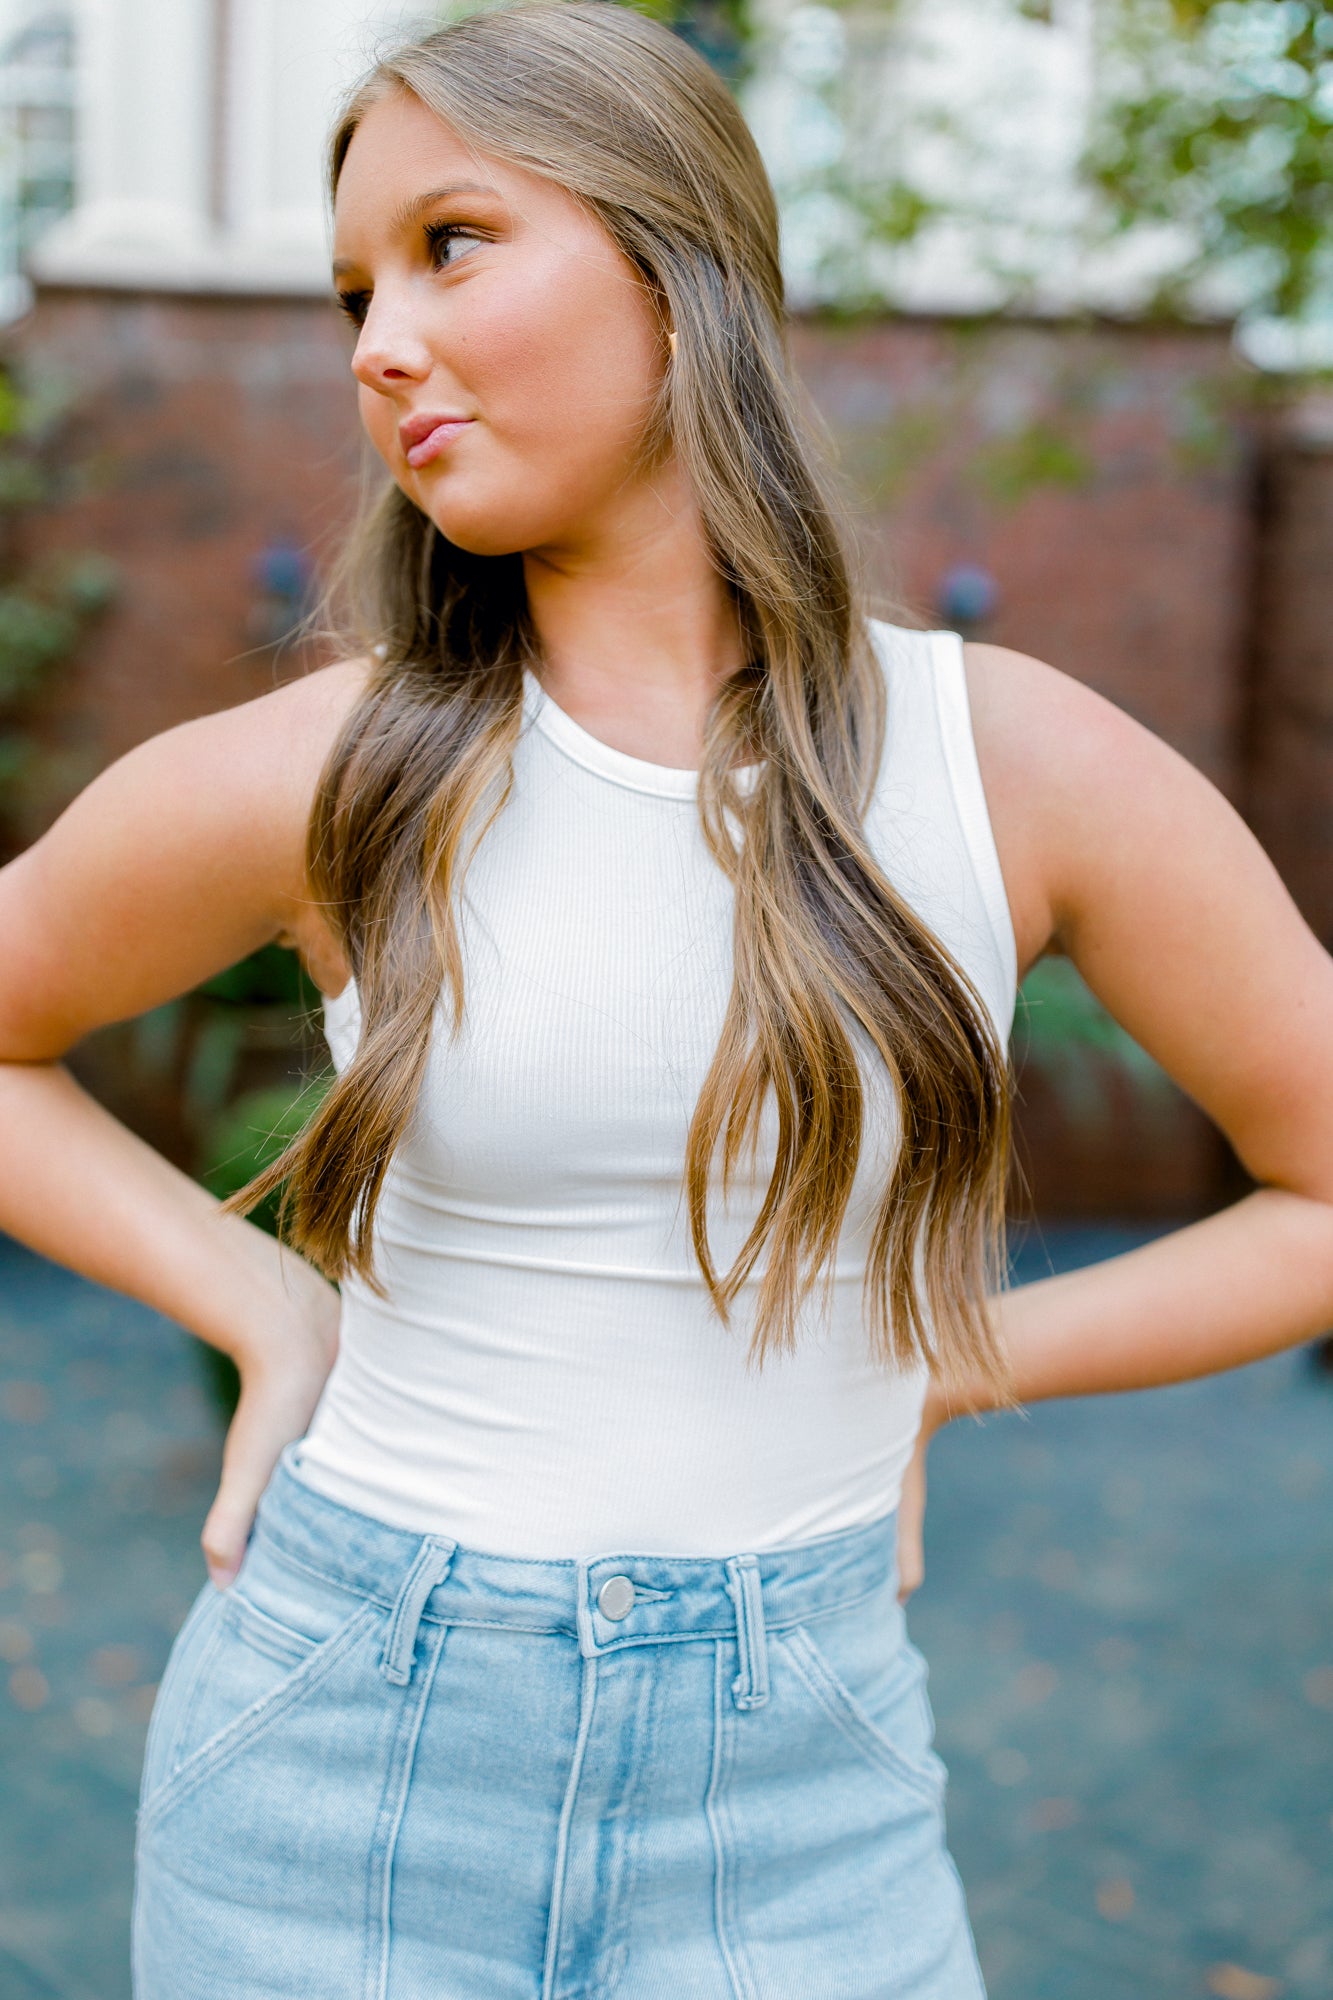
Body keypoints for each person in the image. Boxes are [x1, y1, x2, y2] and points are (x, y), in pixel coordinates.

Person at [1, 5, 1331, 1995]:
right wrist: (259, 1293)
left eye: (450, 243)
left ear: (676, 257)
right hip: (341, 1753)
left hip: (804, 1784)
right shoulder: (336, 765)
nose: (375, 339)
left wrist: (952, 1363)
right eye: (353, 285)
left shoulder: (1016, 763)